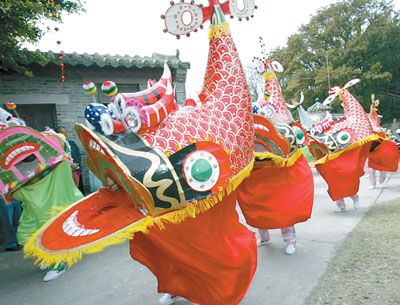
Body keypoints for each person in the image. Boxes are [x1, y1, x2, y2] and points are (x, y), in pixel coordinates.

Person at [56, 126, 83, 192]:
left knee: (78, 189)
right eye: (62, 133)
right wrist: (70, 165)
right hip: (66, 172)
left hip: (76, 170)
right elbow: (59, 159)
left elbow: (78, 155)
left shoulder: (72, 143)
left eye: (65, 132)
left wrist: (77, 164)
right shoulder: (57, 146)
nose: (65, 134)